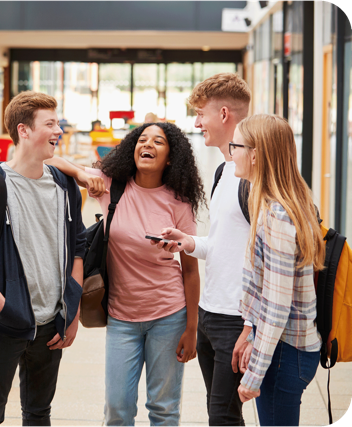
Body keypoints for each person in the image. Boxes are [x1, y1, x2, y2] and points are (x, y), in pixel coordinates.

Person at [47, 121, 204, 426]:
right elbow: (49, 159)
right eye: (142, 140)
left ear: (170, 157)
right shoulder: (110, 186)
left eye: (158, 142)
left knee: (163, 409)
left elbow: (191, 271)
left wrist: (192, 327)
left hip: (169, 315)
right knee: (117, 410)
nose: (148, 145)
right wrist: (82, 175)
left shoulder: (179, 202)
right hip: (121, 317)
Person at [0, 91, 86, 427]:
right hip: (2, 325)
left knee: (39, 413)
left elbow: (78, 247)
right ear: (23, 130)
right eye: (51, 123)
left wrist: (72, 312)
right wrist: (3, 307)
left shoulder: (63, 184)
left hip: (51, 325)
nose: (59, 130)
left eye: (58, 122)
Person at [155, 73, 253, 426]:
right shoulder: (225, 170)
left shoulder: (253, 177)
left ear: (224, 114)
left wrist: (252, 326)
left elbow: (269, 255)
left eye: (201, 113)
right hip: (211, 312)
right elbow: (227, 245)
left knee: (223, 418)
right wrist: (189, 242)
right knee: (222, 416)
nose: (197, 122)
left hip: (236, 317)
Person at [232, 114, 324, 426]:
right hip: (284, 347)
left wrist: (254, 375)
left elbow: (276, 305)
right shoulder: (278, 205)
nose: (232, 152)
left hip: (287, 352)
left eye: (237, 146)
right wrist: (250, 331)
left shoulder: (277, 218)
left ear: (255, 155)